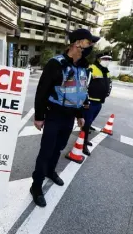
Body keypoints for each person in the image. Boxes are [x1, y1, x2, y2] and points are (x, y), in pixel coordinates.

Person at [31, 29, 100, 207]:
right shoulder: (56, 64)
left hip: (70, 117)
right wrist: (39, 117)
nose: (91, 45)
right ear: (77, 43)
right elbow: (42, 91)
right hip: (54, 114)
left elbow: (81, 92)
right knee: (46, 151)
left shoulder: (84, 67)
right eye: (89, 42)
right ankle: (36, 186)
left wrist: (80, 115)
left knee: (59, 148)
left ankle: (50, 172)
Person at [82, 52, 113, 155]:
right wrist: (85, 101)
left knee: (90, 122)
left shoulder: (106, 71)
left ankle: (84, 139)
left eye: (109, 59)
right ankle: (83, 144)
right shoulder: (92, 68)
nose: (107, 61)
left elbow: (109, 83)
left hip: (99, 101)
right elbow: (84, 85)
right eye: (105, 58)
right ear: (99, 59)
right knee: (87, 123)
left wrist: (107, 92)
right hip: (90, 101)